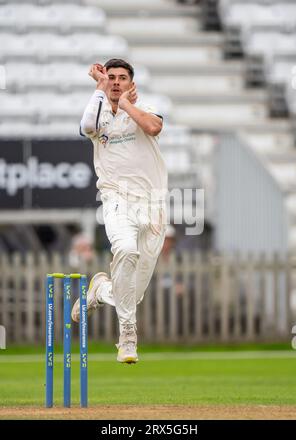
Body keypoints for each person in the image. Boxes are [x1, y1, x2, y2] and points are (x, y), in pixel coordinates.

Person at [71, 59, 168, 364]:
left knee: (131, 294)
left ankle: (100, 291)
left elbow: (153, 127)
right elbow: (87, 126)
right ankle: (127, 335)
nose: (115, 82)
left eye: (121, 78)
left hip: (152, 204)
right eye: (110, 77)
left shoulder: (143, 108)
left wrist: (126, 106)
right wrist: (99, 89)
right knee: (125, 249)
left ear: (131, 83)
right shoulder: (98, 112)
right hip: (116, 199)